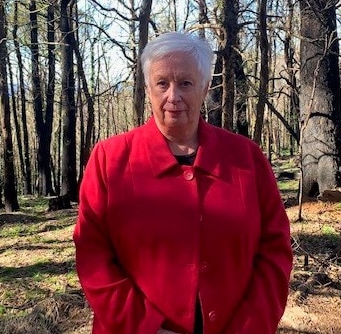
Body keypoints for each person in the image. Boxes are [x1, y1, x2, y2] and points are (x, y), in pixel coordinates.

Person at [73, 31, 293, 334]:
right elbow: (93, 255)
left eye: (185, 83)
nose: (173, 96)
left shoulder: (246, 159)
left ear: (204, 87)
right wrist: (146, 329)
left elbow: (275, 252)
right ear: (148, 88)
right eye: (162, 83)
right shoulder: (110, 160)